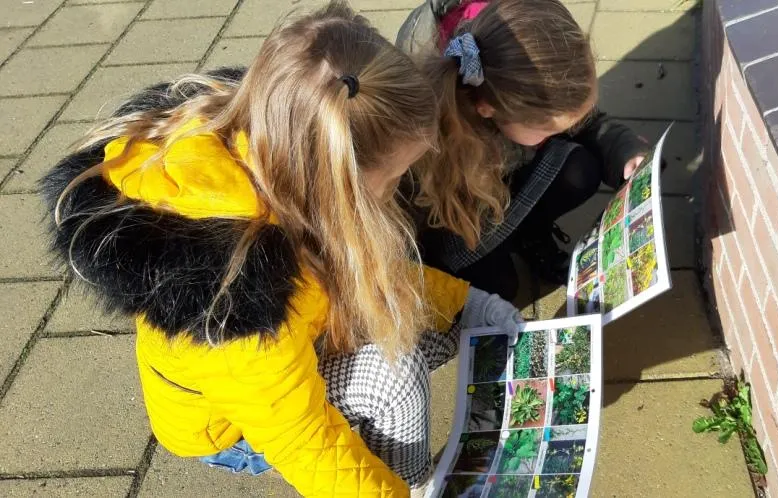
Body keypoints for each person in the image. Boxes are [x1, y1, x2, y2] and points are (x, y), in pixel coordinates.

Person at [41, 3, 519, 497]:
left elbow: (365, 272)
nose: (396, 190)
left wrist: (467, 303)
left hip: (288, 344)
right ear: (338, 181)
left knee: (426, 332)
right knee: (394, 373)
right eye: (394, 178)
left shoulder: (282, 148)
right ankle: (414, 484)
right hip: (232, 429)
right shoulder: (231, 296)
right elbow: (303, 439)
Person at [396, 0, 649, 301]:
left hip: (495, 189)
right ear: (487, 109)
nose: (565, 133)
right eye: (549, 131)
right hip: (452, 220)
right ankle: (506, 240)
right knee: (498, 289)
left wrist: (624, 152)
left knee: (581, 169)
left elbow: (587, 124)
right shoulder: (423, 132)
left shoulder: (525, 59)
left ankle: (526, 234)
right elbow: (409, 228)